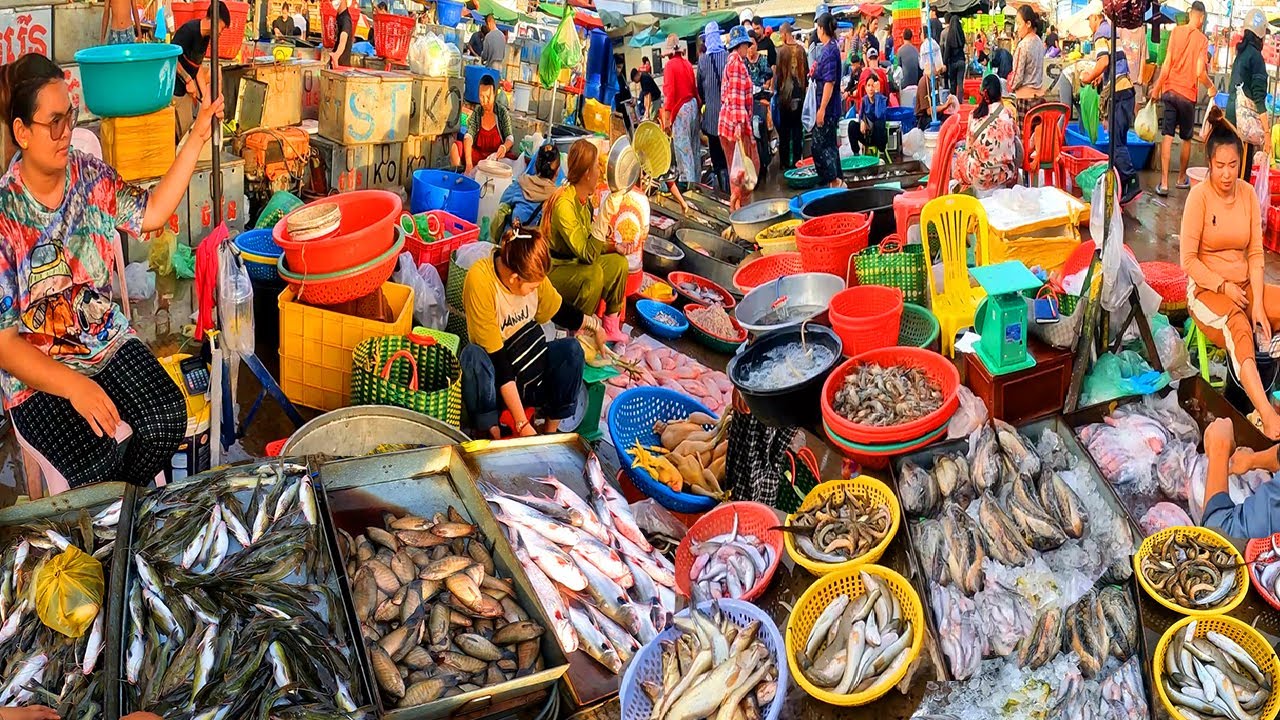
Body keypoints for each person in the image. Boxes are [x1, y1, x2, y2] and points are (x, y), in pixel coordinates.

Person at [0, 54, 221, 488]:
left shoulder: (89, 176)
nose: (68, 133)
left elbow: (152, 212)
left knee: (166, 418)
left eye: (71, 116)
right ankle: (112, 509)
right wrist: (74, 387)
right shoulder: (5, 216)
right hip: (37, 366)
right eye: (54, 122)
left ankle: (119, 509)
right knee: (95, 461)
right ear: (21, 132)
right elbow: (6, 346)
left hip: (100, 334)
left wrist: (196, 135)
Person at [1183, 123, 1280, 439]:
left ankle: (1267, 368)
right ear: (1210, 163)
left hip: (1246, 286)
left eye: (1233, 165)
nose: (1226, 174)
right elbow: (1188, 261)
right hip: (1207, 291)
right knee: (1238, 325)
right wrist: (1222, 286)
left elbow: (1254, 252)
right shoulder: (1199, 198)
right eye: (1220, 166)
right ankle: (1267, 416)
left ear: (1242, 163)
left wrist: (1260, 306)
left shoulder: (1249, 193)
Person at [461, 229, 595, 440]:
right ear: (515, 278)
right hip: (497, 382)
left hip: (530, 370)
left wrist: (594, 327)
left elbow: (558, 308)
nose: (537, 289)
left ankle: (549, 435)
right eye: (532, 287)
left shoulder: (531, 272)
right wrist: (521, 422)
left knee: (572, 350)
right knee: (472, 356)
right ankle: (492, 436)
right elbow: (499, 363)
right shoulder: (480, 280)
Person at [542, 140, 629, 341]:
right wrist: (605, 214)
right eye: (597, 166)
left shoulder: (584, 200)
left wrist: (614, 247)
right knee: (593, 274)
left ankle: (610, 326)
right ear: (587, 173)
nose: (600, 172)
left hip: (575, 264)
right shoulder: (564, 204)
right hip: (553, 270)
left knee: (618, 263)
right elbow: (588, 255)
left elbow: (591, 242)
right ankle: (580, 330)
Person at [1153, 0, 1214, 196]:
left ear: (1189, 15)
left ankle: (1163, 183)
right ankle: (1180, 179)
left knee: (1168, 136)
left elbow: (1167, 63)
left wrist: (1157, 87)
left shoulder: (1175, 32)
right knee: (1187, 138)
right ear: (1201, 17)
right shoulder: (1203, 41)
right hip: (1188, 95)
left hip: (1170, 91)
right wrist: (1211, 87)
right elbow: (1199, 72)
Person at [1079, 22, 1140, 203]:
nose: (1089, 24)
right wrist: (1100, 77)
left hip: (1119, 93)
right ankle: (1122, 183)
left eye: (1089, 19)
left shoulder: (1100, 33)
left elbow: (1104, 61)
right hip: (1126, 91)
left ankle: (1131, 180)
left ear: (1094, 16)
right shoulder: (1111, 29)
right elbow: (1112, 63)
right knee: (1119, 140)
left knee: (1115, 143)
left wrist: (1087, 76)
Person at [954, 74, 1022, 194]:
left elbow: (968, 148)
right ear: (1000, 94)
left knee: (958, 158)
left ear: (981, 93)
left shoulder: (974, 115)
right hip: (1005, 175)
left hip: (980, 177)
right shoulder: (1008, 113)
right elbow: (1016, 139)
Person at [171, 1, 229, 139]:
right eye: (222, 27)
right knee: (182, 133)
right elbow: (172, 59)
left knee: (192, 125)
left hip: (188, 92)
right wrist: (187, 79)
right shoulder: (188, 31)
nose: (221, 32)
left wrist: (204, 97)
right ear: (214, 20)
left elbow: (197, 66)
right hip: (176, 90)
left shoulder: (206, 38)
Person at [1227, 9, 1269, 183]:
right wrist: (1266, 132)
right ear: (1260, 36)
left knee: (1230, 167)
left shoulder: (1241, 54)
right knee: (1241, 174)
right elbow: (1259, 98)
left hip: (1230, 118)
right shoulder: (1256, 58)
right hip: (1244, 124)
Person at [719, 25, 757, 212]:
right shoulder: (736, 64)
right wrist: (739, 127)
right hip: (735, 126)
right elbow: (735, 98)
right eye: (746, 45)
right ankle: (739, 214)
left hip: (730, 124)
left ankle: (737, 213)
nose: (748, 48)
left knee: (739, 175)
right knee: (742, 177)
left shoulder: (732, 62)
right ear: (740, 45)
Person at [492, 144, 560, 242]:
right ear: (557, 171)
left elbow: (502, 203)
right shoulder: (557, 198)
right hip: (535, 251)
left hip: (510, 246)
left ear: (536, 166)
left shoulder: (519, 184)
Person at [660, 34, 699, 186]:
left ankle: (689, 189)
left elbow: (670, 94)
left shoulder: (670, 66)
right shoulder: (688, 64)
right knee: (694, 150)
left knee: (684, 153)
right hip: (693, 105)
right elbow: (694, 88)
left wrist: (667, 120)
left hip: (681, 110)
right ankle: (697, 185)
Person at [697, 22, 730, 191]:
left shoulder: (702, 61)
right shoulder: (728, 57)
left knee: (716, 156)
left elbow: (700, 90)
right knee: (729, 154)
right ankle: (732, 187)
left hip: (711, 120)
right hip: (728, 117)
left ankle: (723, 189)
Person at [812, 12, 843, 189]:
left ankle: (834, 181)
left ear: (822, 29)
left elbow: (829, 82)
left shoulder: (830, 51)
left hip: (828, 107)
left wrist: (821, 109)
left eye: (817, 27)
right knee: (829, 144)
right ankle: (838, 182)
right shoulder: (829, 48)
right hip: (828, 106)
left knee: (820, 146)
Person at [775, 22, 808, 170]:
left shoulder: (781, 52)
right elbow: (806, 74)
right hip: (800, 95)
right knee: (797, 131)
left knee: (785, 132)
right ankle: (796, 160)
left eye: (781, 34)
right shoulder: (801, 50)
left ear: (785, 34)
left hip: (785, 98)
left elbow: (779, 77)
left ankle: (784, 163)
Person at [463, 75, 511, 173]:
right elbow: (469, 136)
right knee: (456, 147)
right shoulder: (477, 112)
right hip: (479, 157)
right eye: (482, 97)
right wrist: (468, 163)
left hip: (497, 158)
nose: (484, 101)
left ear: (494, 95)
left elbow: (510, 137)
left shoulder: (502, 112)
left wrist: (504, 147)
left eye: (488, 97)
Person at [1008, 6, 1045, 120]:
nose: (1017, 28)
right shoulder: (1039, 42)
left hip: (1025, 100)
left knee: (1024, 135)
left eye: (1019, 24)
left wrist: (1009, 87)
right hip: (1038, 98)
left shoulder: (1023, 45)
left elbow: (1017, 77)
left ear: (1028, 24)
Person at [848, 69, 887, 157]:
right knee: (852, 125)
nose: (870, 88)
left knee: (879, 123)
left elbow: (878, 115)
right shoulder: (864, 100)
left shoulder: (882, 99)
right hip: (867, 135)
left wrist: (877, 95)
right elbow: (861, 115)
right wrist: (862, 121)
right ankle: (856, 153)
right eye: (868, 86)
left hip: (878, 137)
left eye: (873, 85)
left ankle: (881, 153)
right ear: (865, 88)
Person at [942, 13, 966, 95]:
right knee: (960, 83)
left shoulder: (949, 37)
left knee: (953, 83)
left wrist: (944, 63)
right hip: (961, 61)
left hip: (952, 63)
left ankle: (953, 101)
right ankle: (960, 101)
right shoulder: (962, 35)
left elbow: (947, 52)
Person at [330, 0, 354, 67]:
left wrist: (336, 55)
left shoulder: (346, 19)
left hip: (341, 64)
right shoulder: (339, 16)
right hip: (336, 62)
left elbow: (343, 39)